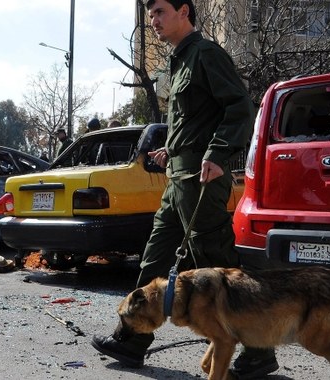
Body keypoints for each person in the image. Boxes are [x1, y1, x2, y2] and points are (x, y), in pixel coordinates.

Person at [90, 0, 279, 378]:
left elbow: (239, 107)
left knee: (222, 268)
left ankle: (259, 352)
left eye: (160, 12)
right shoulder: (178, 61)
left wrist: (218, 152)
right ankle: (132, 340)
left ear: (184, 12)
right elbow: (193, 120)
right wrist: (171, 148)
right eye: (150, 15)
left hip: (203, 179)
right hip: (177, 180)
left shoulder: (207, 54)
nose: (154, 21)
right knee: (154, 261)